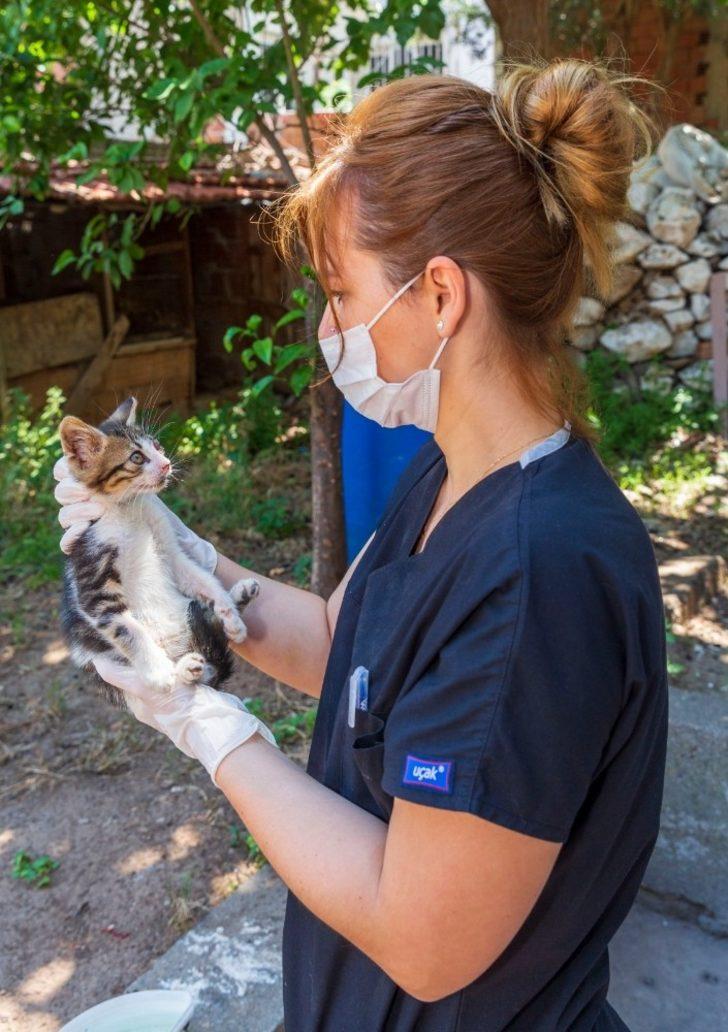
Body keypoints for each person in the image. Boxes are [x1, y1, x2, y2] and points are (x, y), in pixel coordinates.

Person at [53, 57, 669, 1031]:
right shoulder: (451, 472)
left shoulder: (536, 579)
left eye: (340, 293)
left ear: (437, 295)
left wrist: (193, 715)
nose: (331, 326)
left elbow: (420, 933)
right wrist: (177, 556)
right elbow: (342, 643)